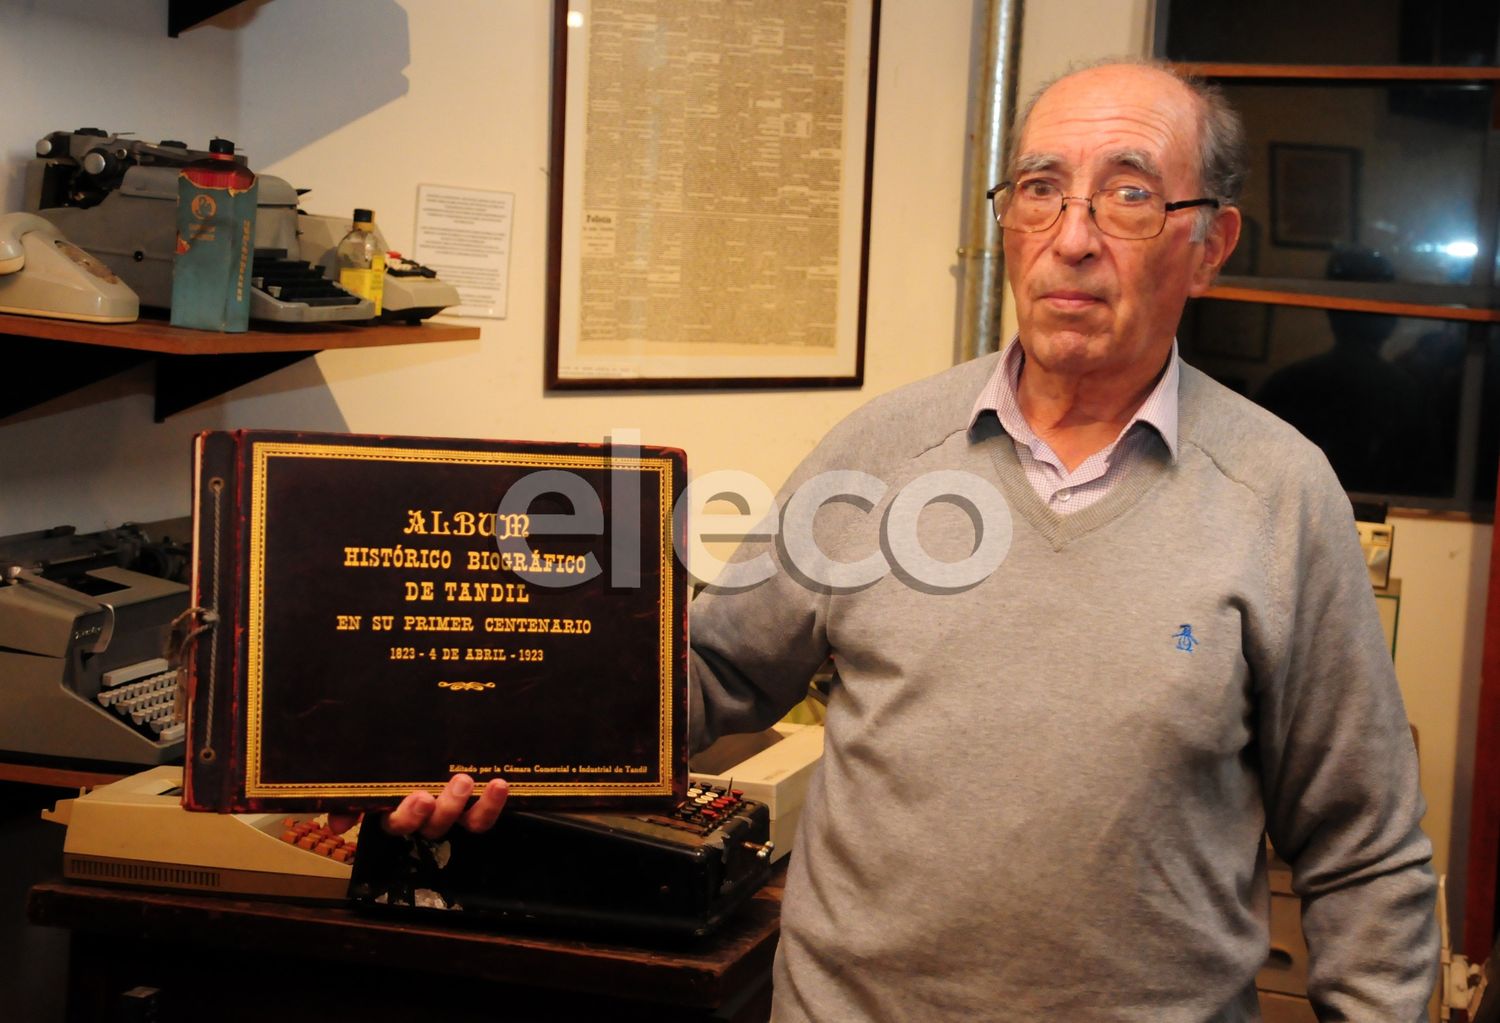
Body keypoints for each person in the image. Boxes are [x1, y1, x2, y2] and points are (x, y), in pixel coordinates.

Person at [383, 59, 1437, 1020]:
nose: (1072, 236)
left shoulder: (1278, 491)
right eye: (1038, 190)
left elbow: (1364, 850)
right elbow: (704, 676)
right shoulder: (878, 454)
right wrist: (494, 727)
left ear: (1208, 243)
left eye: (1127, 194)